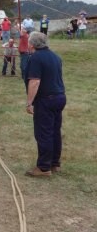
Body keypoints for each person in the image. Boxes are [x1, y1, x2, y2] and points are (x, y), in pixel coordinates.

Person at [24, 32, 66, 177]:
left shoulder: (35, 58)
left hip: (46, 100)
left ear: (32, 44)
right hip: (59, 97)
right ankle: (54, 163)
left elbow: (35, 81)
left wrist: (29, 103)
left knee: (44, 133)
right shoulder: (55, 56)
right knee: (54, 131)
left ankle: (43, 168)